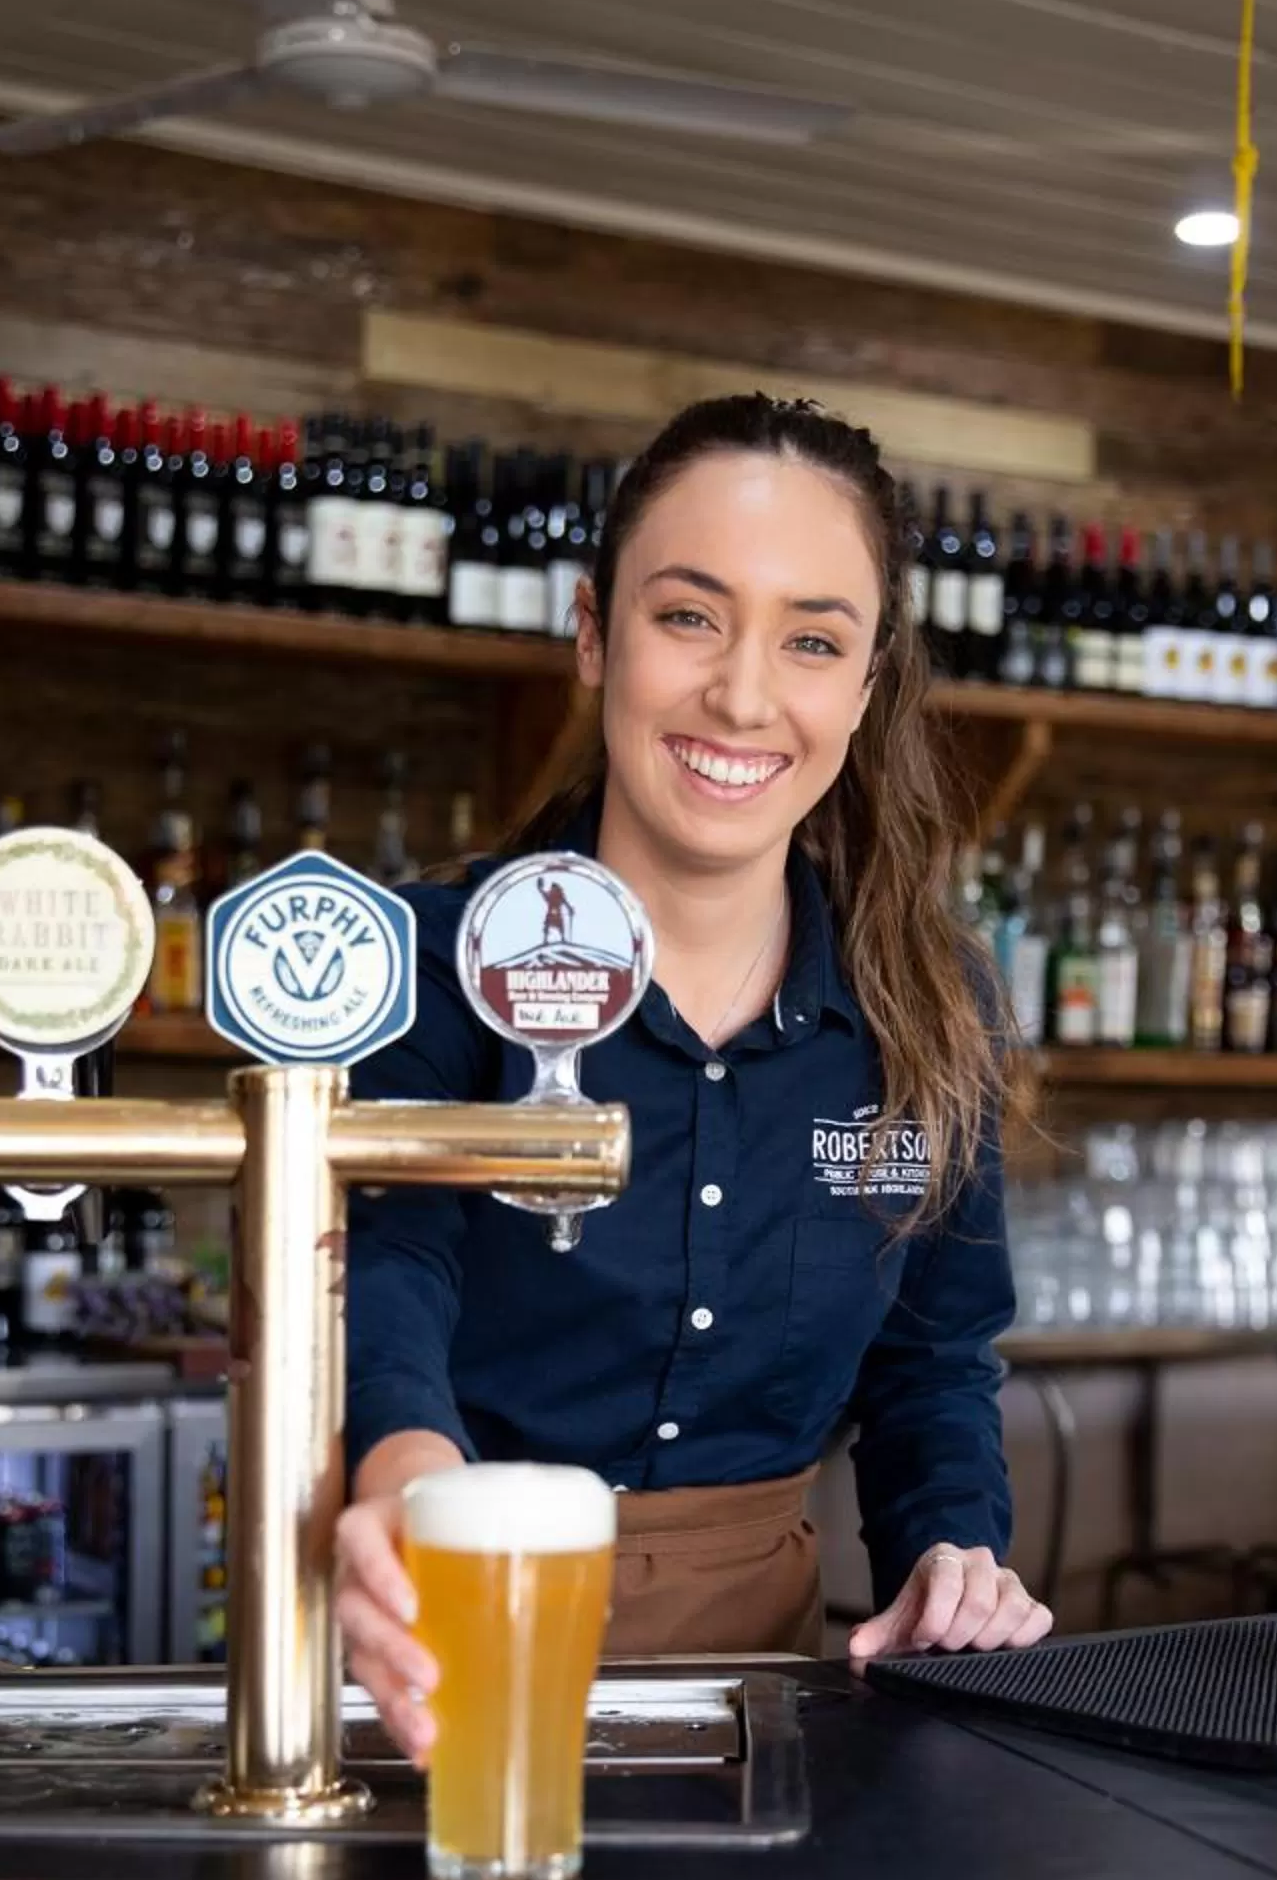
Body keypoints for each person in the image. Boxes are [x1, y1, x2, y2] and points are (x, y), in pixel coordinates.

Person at [338, 393, 1050, 1761]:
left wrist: (952, 1554)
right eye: (688, 616)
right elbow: (385, 1261)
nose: (742, 692)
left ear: (866, 680)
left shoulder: (929, 1004)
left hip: (758, 1714)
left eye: (811, 640)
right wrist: (408, 1476)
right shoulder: (430, 962)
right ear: (594, 632)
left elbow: (933, 1363)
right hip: (429, 1655)